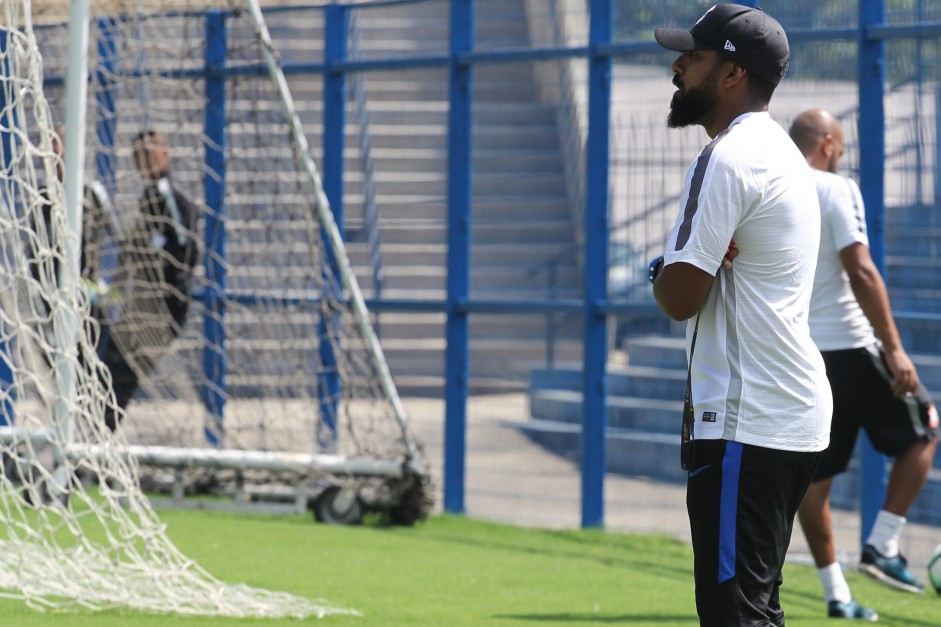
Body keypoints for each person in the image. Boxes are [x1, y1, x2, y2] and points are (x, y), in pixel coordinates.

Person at [649, 5, 832, 626]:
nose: (677, 67)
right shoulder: (777, 152)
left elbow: (679, 298)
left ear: (731, 73)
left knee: (736, 618)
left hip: (745, 421)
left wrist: (663, 269)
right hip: (780, 416)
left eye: (693, 57)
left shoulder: (726, 158)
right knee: (756, 611)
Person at [789, 108, 939, 620]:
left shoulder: (773, 187)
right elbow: (861, 269)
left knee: (815, 480)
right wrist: (894, 347)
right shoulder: (836, 188)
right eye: (843, 146)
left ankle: (836, 594)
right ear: (828, 144)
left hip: (801, 357)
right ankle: (883, 544)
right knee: (925, 430)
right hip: (850, 347)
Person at [100, 129, 198, 431]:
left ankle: (96, 449)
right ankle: (97, 447)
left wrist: (169, 288)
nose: (142, 159)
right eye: (137, 154)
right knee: (111, 375)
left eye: (148, 152)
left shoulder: (170, 198)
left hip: (162, 307)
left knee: (119, 374)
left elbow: (187, 250)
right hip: (142, 306)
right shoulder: (149, 197)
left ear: (165, 154)